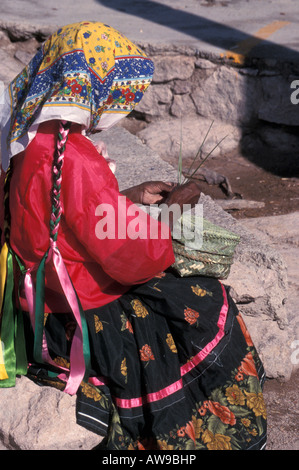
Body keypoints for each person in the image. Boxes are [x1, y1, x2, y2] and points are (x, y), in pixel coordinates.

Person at [0, 22, 267, 450]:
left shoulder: (28, 136)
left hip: (42, 291)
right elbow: (130, 255)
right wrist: (174, 211)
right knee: (206, 301)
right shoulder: (78, 160)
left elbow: (60, 211)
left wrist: (127, 195)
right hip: (86, 308)